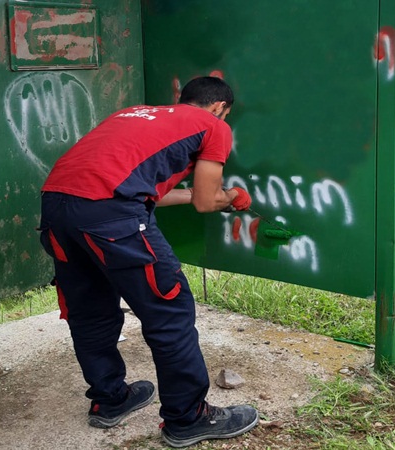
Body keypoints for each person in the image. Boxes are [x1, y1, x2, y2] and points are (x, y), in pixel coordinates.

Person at [37, 76, 257, 448]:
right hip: (110, 215)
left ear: (180, 99)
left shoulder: (134, 115)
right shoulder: (213, 126)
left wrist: (193, 194)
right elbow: (207, 202)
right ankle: (188, 419)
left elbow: (144, 189)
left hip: (57, 207)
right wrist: (233, 195)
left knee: (89, 310)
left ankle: (110, 400)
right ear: (220, 107)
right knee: (169, 309)